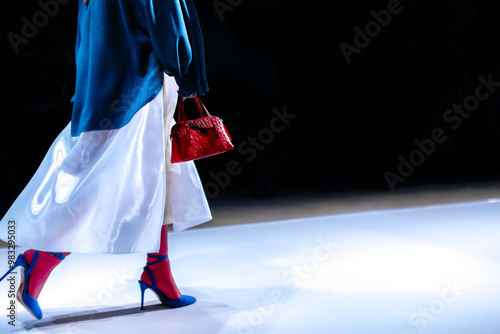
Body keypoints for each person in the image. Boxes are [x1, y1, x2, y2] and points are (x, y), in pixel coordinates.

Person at [0, 0, 211, 319]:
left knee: (155, 175)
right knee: (105, 181)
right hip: (142, 81)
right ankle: (39, 260)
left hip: (106, 76)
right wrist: (188, 75)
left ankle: (159, 270)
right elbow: (167, 18)